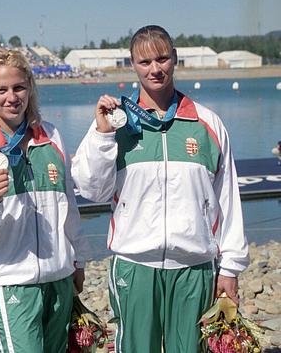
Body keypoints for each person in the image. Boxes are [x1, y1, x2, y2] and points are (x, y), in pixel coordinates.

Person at [71, 25, 249, 352]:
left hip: (194, 266)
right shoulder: (116, 123)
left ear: (175, 58)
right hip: (135, 265)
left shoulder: (207, 123)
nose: (155, 69)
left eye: (162, 58)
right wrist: (102, 135)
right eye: (144, 62)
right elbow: (91, 190)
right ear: (132, 65)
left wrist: (231, 267)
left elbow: (228, 200)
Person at [0, 48, 87, 353]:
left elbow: (69, 208)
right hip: (9, 282)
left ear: (30, 88)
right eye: (1, 90)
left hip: (58, 278)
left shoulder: (51, 137)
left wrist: (77, 260)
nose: (12, 97)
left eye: (19, 87)